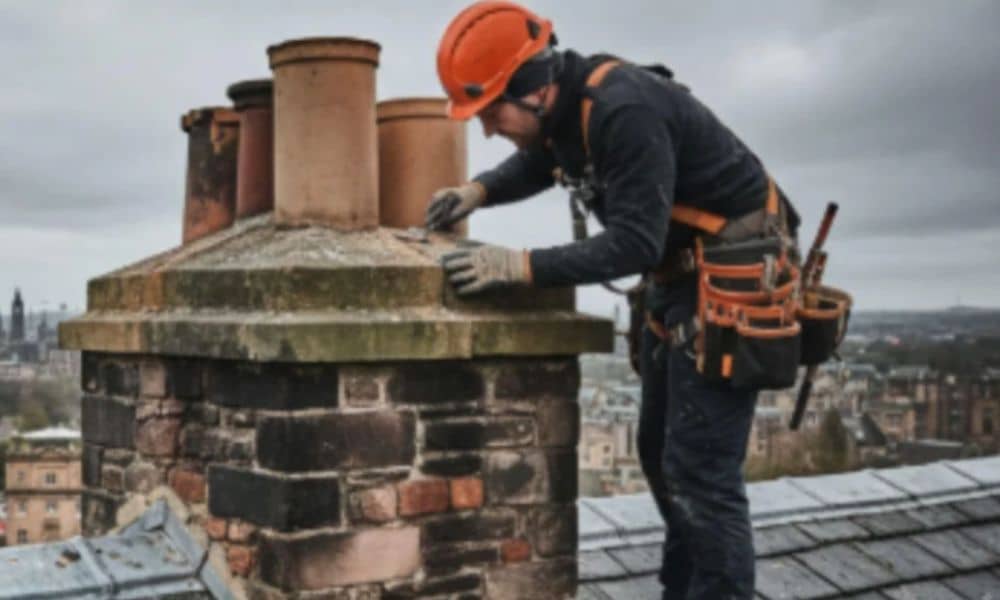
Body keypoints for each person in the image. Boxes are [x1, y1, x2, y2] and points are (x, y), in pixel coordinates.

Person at [426, 2, 800, 598]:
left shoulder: (624, 110)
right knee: (659, 459)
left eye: (492, 110)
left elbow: (634, 241)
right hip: (682, 285)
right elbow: (542, 161)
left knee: (701, 477)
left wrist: (520, 266)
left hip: (732, 285)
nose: (488, 128)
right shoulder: (567, 111)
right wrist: (480, 191)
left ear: (534, 89)